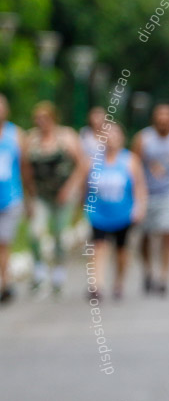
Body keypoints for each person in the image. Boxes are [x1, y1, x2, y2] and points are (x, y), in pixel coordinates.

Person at [26, 101, 88, 297]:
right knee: (35, 232)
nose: (41, 122)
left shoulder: (66, 137)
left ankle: (59, 273)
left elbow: (83, 165)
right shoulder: (31, 139)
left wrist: (70, 188)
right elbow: (25, 168)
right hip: (41, 195)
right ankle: (39, 271)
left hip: (63, 195)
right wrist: (30, 193)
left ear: (53, 118)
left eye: (44, 118)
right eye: (38, 119)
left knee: (60, 235)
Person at [132, 103, 169, 295]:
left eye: (167, 115)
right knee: (146, 235)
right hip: (147, 193)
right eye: (160, 115)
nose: (163, 119)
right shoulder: (144, 138)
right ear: (154, 118)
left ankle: (164, 276)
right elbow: (132, 167)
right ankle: (148, 270)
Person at [84, 123, 147, 301]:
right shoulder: (93, 161)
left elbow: (140, 186)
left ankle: (119, 282)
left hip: (123, 213)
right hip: (99, 213)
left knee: (121, 250)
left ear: (121, 139)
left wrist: (139, 207)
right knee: (98, 247)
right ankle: (96, 284)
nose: (111, 140)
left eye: (114, 135)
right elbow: (85, 186)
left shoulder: (130, 160)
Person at [0, 94, 30, 303]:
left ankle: (5, 282)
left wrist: (29, 196)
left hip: (10, 197)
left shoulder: (16, 134)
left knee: (4, 242)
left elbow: (24, 167)